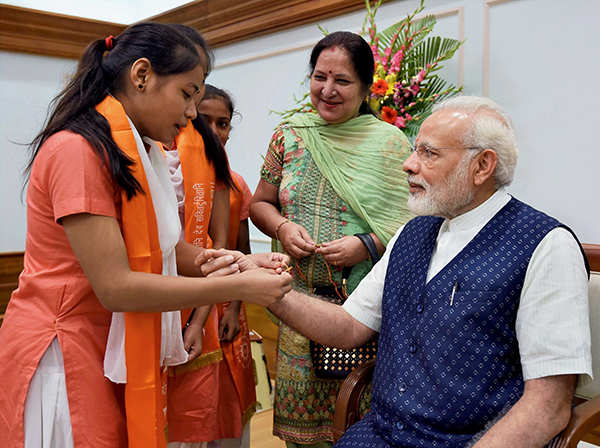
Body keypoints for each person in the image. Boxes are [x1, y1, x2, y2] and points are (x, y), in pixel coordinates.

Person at [0, 23, 291, 448]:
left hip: (110, 344)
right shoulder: (77, 150)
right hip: (66, 351)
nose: (193, 113)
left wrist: (240, 262)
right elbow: (116, 287)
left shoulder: (142, 151)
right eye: (188, 93)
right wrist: (237, 285)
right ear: (141, 76)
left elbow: (168, 251)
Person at [268, 95, 592, 447]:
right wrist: (269, 292)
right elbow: (347, 326)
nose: (408, 165)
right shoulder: (413, 232)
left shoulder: (546, 245)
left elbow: (548, 406)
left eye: (428, 153)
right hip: (377, 436)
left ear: (482, 166)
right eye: (414, 150)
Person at [250, 31, 412, 446]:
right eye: (319, 77)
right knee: (300, 435)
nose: (327, 90)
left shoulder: (392, 144)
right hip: (298, 301)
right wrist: (283, 228)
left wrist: (367, 244)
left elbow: (414, 225)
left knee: (362, 424)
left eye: (341, 80)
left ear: (364, 87)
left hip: (363, 313)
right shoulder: (289, 135)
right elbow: (260, 204)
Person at [166, 83, 256, 448]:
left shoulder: (233, 182)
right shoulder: (167, 169)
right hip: (173, 296)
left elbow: (236, 247)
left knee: (223, 406)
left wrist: (231, 309)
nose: (215, 131)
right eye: (206, 120)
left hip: (221, 295)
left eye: (224, 123)